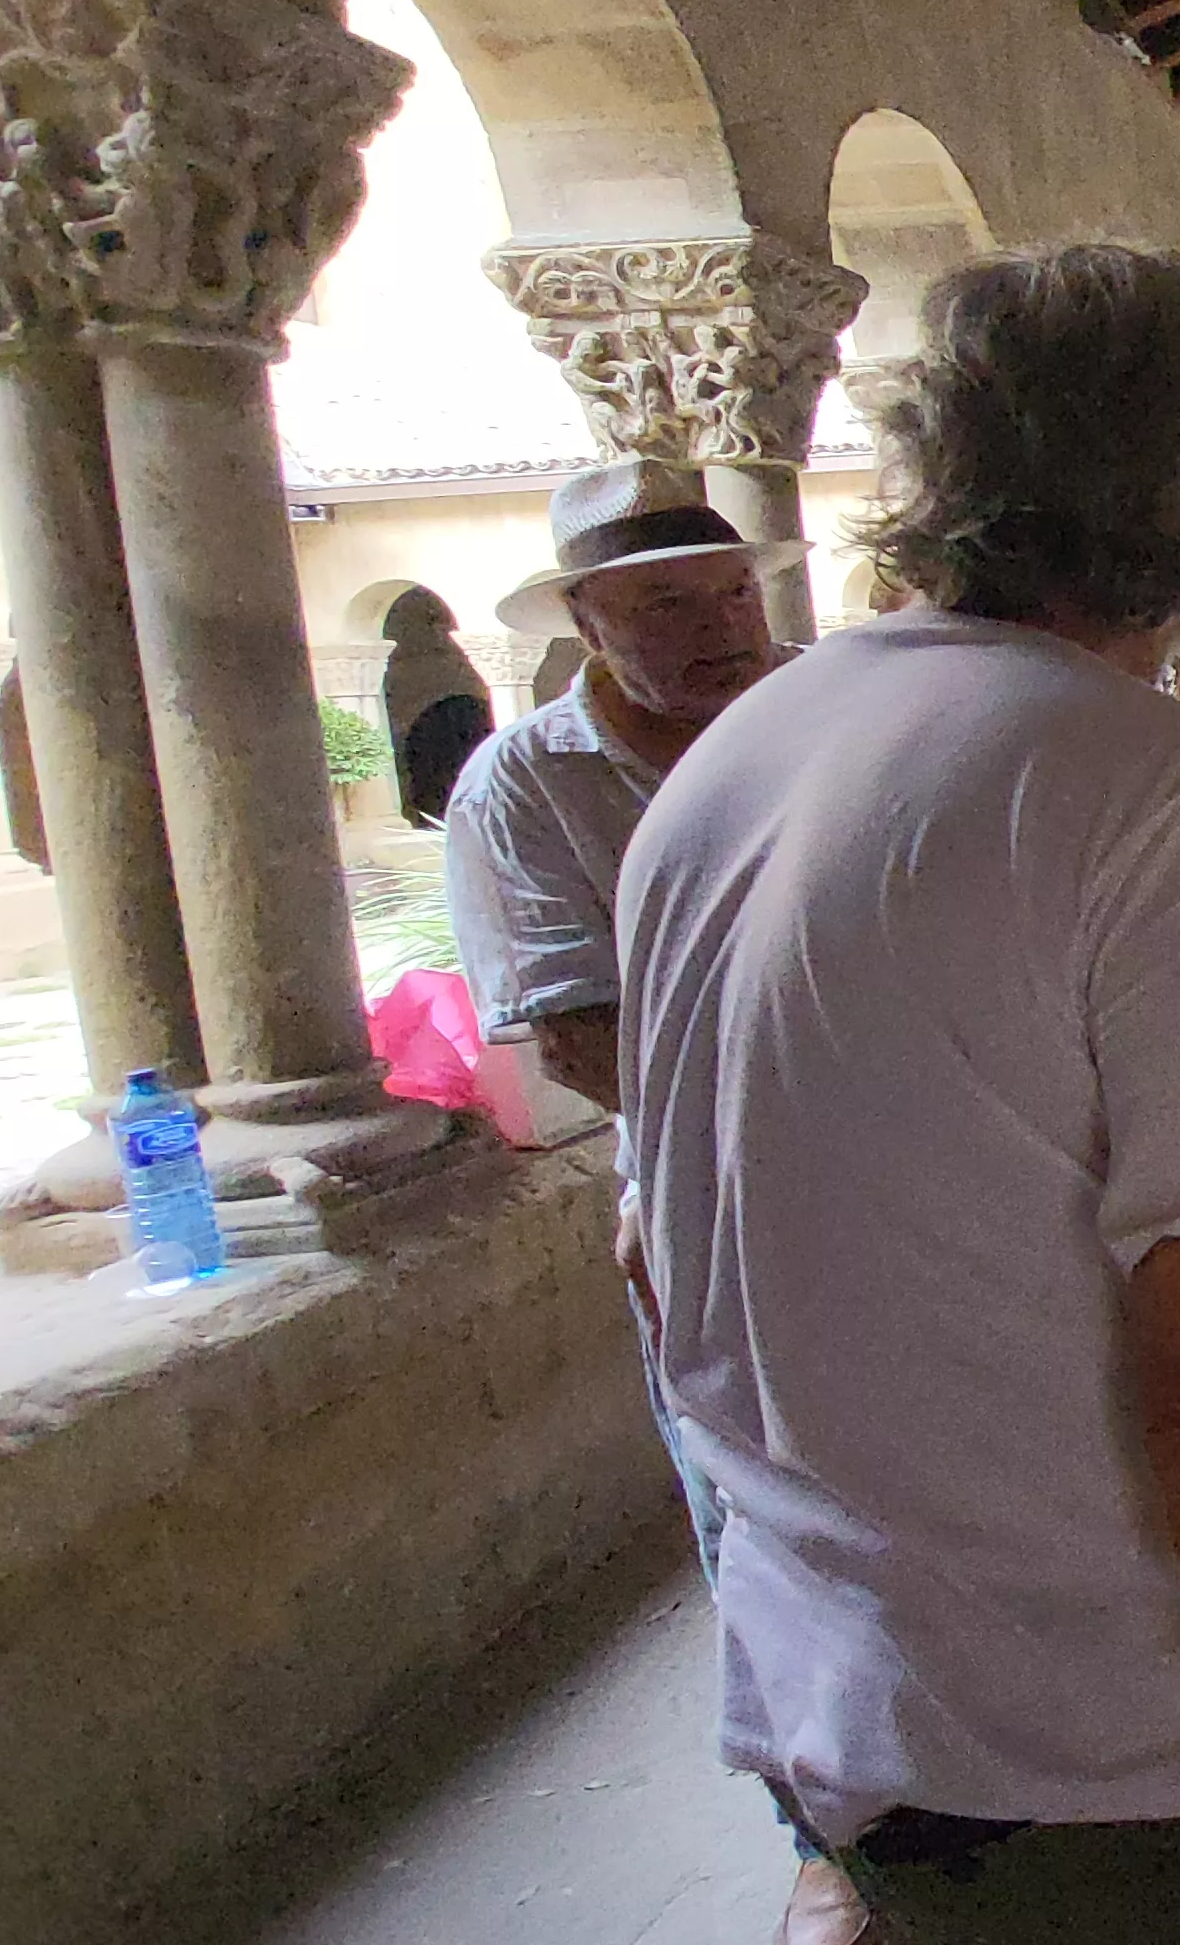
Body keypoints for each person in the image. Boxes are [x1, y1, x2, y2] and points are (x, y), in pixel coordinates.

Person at [618, 245, 1180, 1945]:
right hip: (1125, 1764)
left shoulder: (729, 767)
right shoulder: (1164, 797)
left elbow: (655, 1251)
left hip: (852, 1728)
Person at [440, 458, 858, 1945]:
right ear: (583, 619)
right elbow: (574, 1028)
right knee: (753, 1511)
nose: (717, 627)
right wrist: (815, 1126)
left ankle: (968, 1789)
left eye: (733, 591)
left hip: (911, 1179)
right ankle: (825, 1837)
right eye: (666, 605)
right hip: (720, 1216)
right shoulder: (528, 785)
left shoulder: (830, 709)